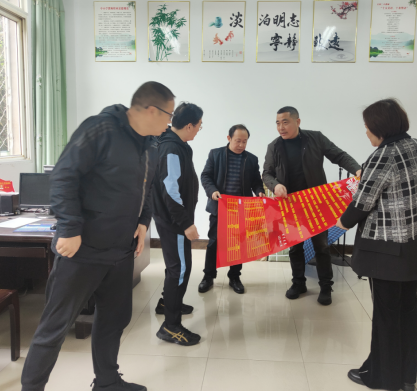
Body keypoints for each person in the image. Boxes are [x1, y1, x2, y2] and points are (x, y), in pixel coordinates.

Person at [21, 82, 176, 392]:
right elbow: (63, 177)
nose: (170, 123)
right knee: (55, 326)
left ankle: (107, 381)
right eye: (168, 115)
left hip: (121, 251)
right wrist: (70, 228)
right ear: (151, 110)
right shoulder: (100, 129)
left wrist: (143, 222)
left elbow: (147, 188)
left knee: (114, 319)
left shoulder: (150, 145)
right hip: (83, 250)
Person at [336, 99, 417, 391]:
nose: (366, 132)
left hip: (387, 251)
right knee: (407, 311)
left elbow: (362, 203)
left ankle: (383, 378)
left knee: (386, 315)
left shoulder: (382, 156)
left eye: (367, 127)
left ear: (379, 128)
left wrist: (342, 223)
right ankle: (407, 377)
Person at [263, 106, 362, 306]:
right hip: (291, 205)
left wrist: (357, 169)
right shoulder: (274, 146)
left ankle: (326, 287)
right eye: (277, 123)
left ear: (297, 122)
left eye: (285, 122)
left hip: (316, 203)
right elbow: (267, 173)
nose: (281, 127)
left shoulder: (315, 138)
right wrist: (275, 185)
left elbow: (339, 155)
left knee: (321, 246)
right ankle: (298, 283)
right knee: (295, 247)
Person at [152, 102, 203, 347]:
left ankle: (167, 303)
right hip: (175, 222)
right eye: (199, 125)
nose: (200, 129)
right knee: (180, 269)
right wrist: (185, 223)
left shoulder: (176, 144)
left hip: (171, 219)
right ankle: (170, 326)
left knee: (176, 266)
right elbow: (169, 189)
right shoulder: (171, 148)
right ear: (189, 125)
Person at [199, 124, 266, 294]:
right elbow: (206, 176)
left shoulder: (251, 159)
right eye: (238, 141)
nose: (241, 145)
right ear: (229, 138)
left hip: (241, 210)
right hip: (220, 207)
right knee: (214, 242)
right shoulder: (216, 154)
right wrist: (212, 191)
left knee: (239, 244)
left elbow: (256, 181)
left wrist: (259, 191)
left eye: (245, 141)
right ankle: (208, 276)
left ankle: (234, 277)